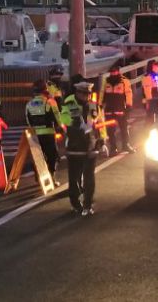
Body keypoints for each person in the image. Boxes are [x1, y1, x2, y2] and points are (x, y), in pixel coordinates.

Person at [61, 81, 102, 217]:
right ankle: (75, 203)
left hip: (90, 146)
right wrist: (75, 125)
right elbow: (64, 121)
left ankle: (88, 204)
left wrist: (102, 138)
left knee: (89, 177)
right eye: (84, 94)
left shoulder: (92, 104)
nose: (86, 97)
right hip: (75, 146)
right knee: (74, 178)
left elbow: (99, 122)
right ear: (77, 92)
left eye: (88, 94)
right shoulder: (69, 103)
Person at [26, 80, 63, 183]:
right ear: (45, 90)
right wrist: (60, 127)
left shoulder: (29, 104)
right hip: (48, 134)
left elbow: (28, 120)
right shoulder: (50, 102)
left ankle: (38, 176)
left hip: (35, 135)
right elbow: (57, 117)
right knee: (53, 156)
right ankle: (51, 177)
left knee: (38, 157)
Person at [100, 65, 134, 155]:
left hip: (121, 110)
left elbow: (128, 94)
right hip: (109, 110)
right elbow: (102, 94)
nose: (113, 73)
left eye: (115, 71)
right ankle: (113, 148)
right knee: (110, 131)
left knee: (124, 128)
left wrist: (129, 106)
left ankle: (126, 145)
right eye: (111, 72)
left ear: (118, 71)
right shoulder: (106, 81)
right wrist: (99, 105)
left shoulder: (124, 81)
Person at [141, 60, 158, 125]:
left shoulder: (155, 76)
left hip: (156, 100)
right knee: (150, 121)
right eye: (156, 65)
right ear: (152, 67)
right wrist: (148, 103)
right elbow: (147, 91)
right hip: (151, 101)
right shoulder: (148, 77)